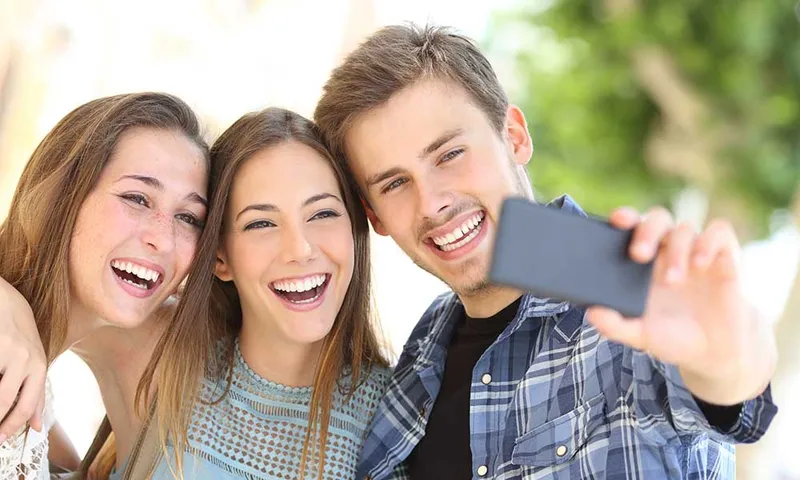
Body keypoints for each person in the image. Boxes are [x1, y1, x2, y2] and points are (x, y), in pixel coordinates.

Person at [313, 24, 778, 479]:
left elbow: (732, 377)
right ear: (375, 217)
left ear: (514, 137)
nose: (431, 202)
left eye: (449, 154)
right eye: (395, 183)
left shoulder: (634, 304)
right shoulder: (418, 357)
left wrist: (726, 351)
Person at [117, 107, 390, 479]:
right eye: (261, 223)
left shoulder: (395, 414)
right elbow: (49, 297)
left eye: (322, 214)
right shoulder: (163, 356)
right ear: (219, 257)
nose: (300, 249)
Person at [0, 92, 210, 478]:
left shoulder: (35, 390)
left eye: (188, 217)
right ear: (63, 193)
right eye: (137, 198)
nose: (163, 240)